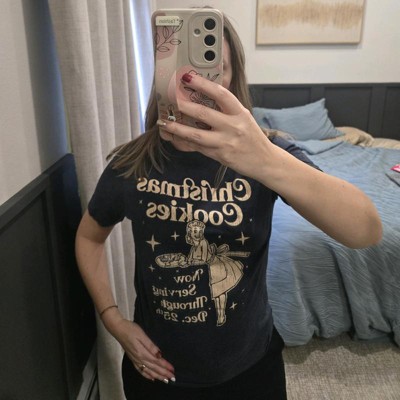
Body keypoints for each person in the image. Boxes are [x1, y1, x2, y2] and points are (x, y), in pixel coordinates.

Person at [75, 11, 382, 400]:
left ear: (232, 80)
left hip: (251, 368)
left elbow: (365, 230)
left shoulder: (266, 155)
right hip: (157, 373)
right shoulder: (131, 164)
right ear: (159, 75)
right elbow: (89, 237)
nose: (195, 85)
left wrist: (265, 159)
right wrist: (113, 320)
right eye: (181, 71)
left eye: (211, 70)